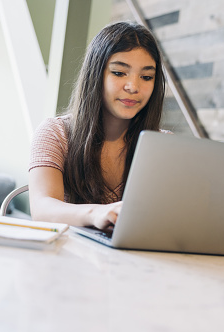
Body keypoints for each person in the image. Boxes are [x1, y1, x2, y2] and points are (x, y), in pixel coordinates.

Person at [28, 21, 169, 229]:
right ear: (95, 74)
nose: (133, 87)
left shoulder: (163, 144)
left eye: (146, 77)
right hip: (67, 256)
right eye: (119, 73)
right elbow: (41, 209)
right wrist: (96, 213)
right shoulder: (55, 133)